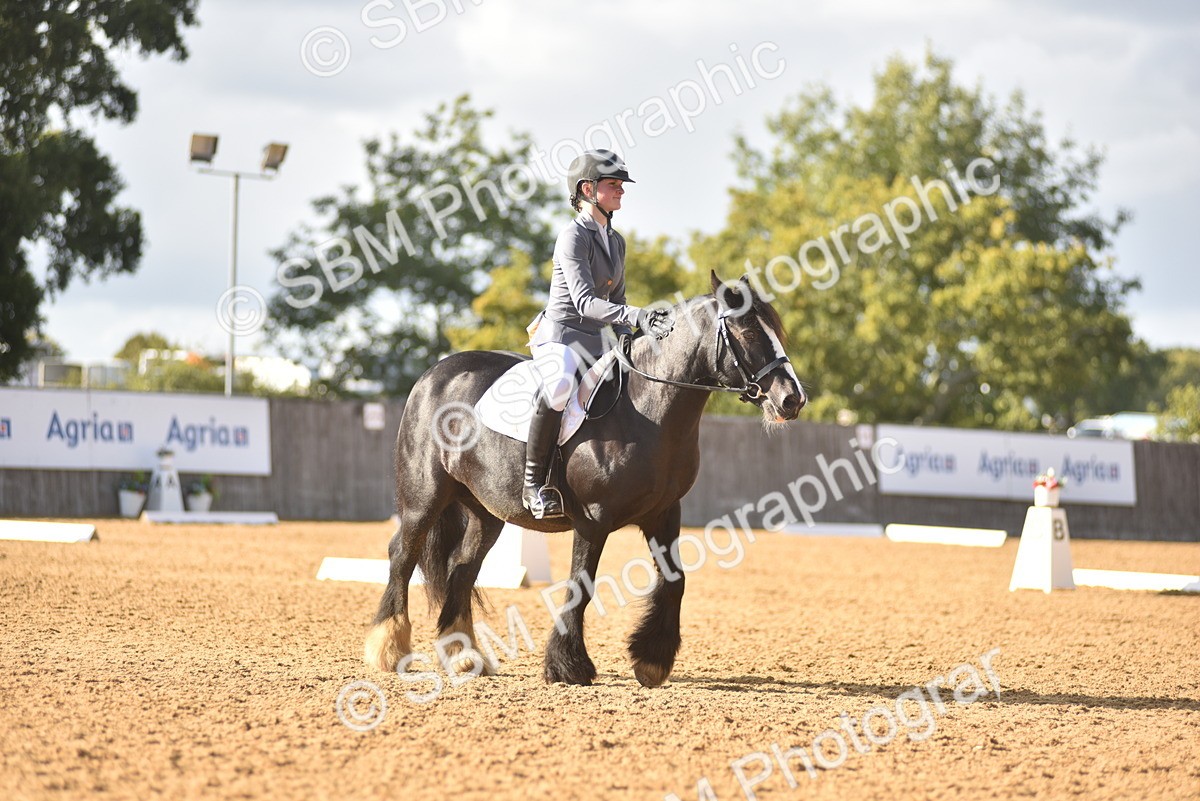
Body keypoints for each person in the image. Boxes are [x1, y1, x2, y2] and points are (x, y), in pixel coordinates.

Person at [522, 149, 674, 519]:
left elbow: (617, 299)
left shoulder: (616, 240)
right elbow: (587, 302)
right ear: (588, 189)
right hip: (562, 337)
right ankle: (533, 485)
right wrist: (637, 315)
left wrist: (630, 334)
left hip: (596, 342)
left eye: (621, 184)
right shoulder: (572, 237)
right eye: (613, 184)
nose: (621, 190)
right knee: (558, 388)